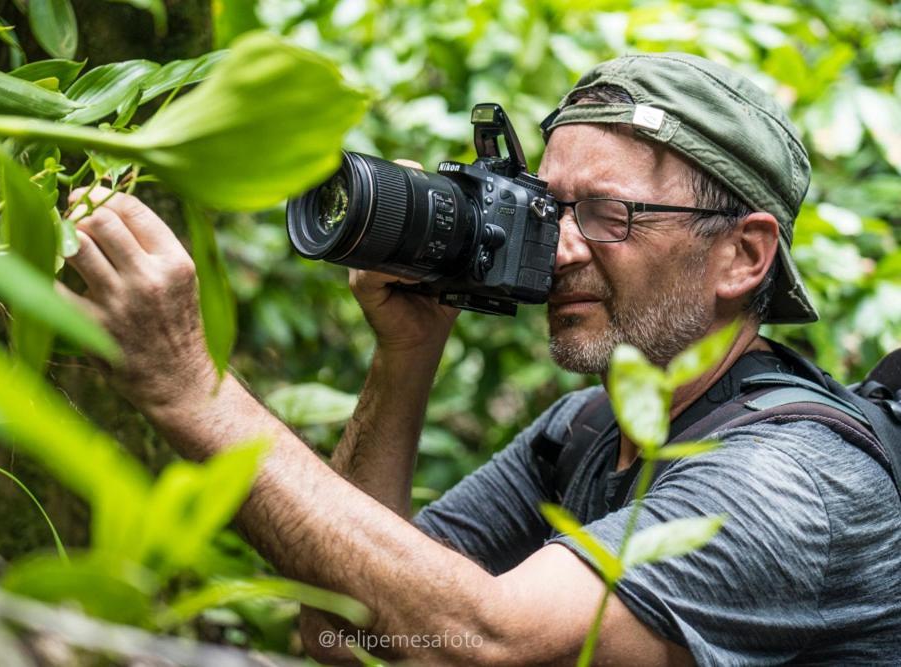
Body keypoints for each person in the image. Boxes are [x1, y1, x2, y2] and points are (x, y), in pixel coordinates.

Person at [61, 53, 901, 665]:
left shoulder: (800, 481)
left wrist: (193, 392)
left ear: (742, 257)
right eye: (547, 206)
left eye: (606, 213)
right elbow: (350, 634)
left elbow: (481, 638)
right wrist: (407, 354)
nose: (559, 247)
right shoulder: (582, 430)